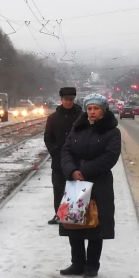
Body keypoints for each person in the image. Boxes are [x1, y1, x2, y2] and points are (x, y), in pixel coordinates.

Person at [59, 93, 121, 278]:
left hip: (99, 184)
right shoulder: (77, 129)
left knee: (96, 225)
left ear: (103, 110)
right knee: (73, 224)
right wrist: (71, 170)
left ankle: (92, 266)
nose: (92, 112)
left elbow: (110, 156)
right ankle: (77, 263)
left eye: (96, 109)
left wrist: (85, 170)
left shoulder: (111, 131)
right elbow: (66, 151)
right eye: (89, 109)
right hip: (76, 183)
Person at [44, 87, 83, 225]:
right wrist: (55, 151)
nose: (69, 102)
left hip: (77, 160)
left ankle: (73, 215)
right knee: (59, 188)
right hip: (58, 161)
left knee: (75, 187)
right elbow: (48, 138)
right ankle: (59, 214)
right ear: (61, 100)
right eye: (66, 99)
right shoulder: (53, 118)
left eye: (71, 99)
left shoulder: (81, 116)